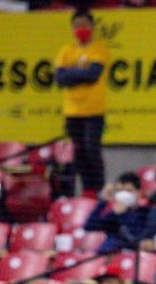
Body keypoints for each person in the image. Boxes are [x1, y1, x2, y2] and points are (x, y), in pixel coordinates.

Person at [55, 9, 110, 197]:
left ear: (93, 27)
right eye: (77, 25)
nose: (81, 29)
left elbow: (93, 75)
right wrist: (80, 74)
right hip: (72, 112)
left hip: (93, 112)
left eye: (85, 25)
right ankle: (86, 191)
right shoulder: (66, 50)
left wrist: (72, 74)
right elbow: (60, 78)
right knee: (78, 154)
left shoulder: (99, 49)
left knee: (91, 150)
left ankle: (99, 190)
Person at [82, 172, 150, 253]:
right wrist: (103, 202)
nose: (124, 194)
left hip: (130, 258)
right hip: (107, 256)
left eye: (128, 191)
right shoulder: (114, 214)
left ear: (138, 192)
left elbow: (134, 239)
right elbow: (89, 226)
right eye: (120, 191)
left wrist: (122, 216)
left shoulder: (145, 213)